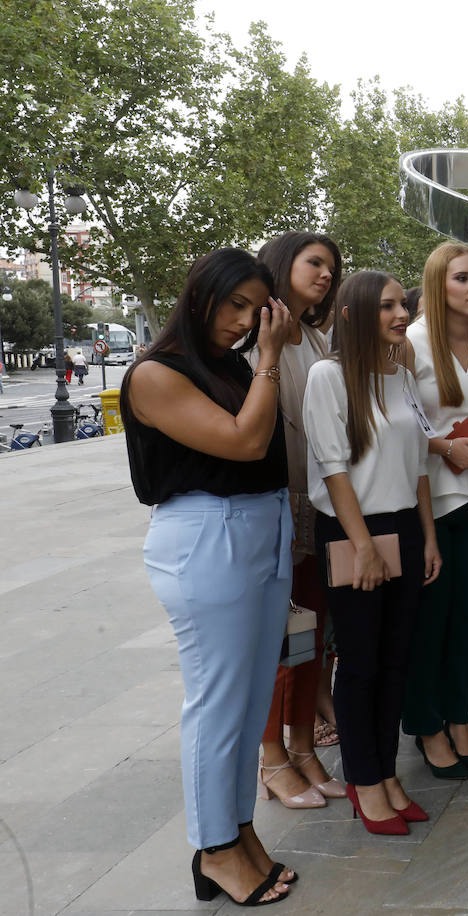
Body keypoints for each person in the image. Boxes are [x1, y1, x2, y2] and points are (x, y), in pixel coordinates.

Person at [122, 248, 296, 906]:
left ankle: (238, 830)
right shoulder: (155, 374)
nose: (246, 321)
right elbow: (244, 442)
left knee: (251, 703)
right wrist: (273, 357)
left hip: (260, 528)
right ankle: (215, 849)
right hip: (206, 536)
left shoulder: (232, 365)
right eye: (235, 305)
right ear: (200, 298)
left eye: (257, 309)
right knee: (218, 702)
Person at [303, 270, 441, 833]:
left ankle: (386, 773)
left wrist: (428, 536)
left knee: (396, 659)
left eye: (400, 304)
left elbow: (419, 466)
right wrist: (362, 545)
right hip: (353, 531)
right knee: (359, 664)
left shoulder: (401, 373)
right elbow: (333, 466)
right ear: (355, 314)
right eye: (386, 306)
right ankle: (364, 779)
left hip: (405, 526)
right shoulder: (328, 376)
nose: (400, 313)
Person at [402, 243, 468, 779]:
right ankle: (426, 725)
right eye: (462, 278)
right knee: (432, 621)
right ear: (437, 285)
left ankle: (459, 719)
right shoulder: (411, 344)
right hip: (432, 503)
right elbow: (397, 428)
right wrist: (445, 448)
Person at [253, 231, 345, 810]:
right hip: (269, 502)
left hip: (318, 499)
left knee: (311, 634)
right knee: (273, 635)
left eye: (332, 269)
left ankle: (305, 747)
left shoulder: (316, 337)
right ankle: (271, 757)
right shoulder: (256, 335)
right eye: (315, 263)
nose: (326, 275)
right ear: (284, 264)